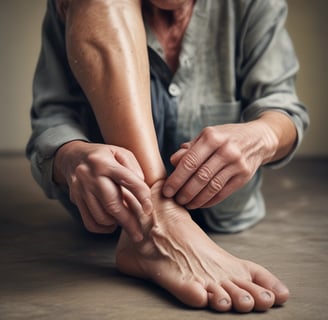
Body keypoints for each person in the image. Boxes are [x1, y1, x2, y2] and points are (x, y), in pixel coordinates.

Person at [26, 0, 309, 313]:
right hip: (114, 220)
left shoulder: (253, 5)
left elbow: (284, 108)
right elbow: (52, 118)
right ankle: (155, 226)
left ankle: (157, 224)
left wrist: (262, 136)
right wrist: (72, 157)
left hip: (228, 217)